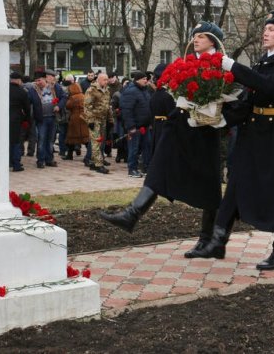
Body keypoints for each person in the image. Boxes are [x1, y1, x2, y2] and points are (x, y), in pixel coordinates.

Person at [100, 22, 226, 259]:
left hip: (204, 128)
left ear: (213, 40)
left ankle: (210, 240)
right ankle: (132, 213)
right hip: (178, 125)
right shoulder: (189, 61)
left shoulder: (221, 63)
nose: (195, 39)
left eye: (201, 36)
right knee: (158, 166)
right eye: (194, 35)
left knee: (209, 184)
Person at [192, 12, 274, 271]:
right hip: (254, 131)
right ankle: (218, 240)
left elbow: (272, 87)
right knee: (237, 183)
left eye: (272, 29)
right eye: (265, 28)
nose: (265, 32)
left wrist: (233, 67)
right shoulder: (261, 64)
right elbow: (249, 102)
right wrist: (220, 121)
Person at [27, 70, 66, 168]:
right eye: (36, 81)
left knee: (50, 140)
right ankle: (40, 160)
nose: (37, 82)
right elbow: (28, 102)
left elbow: (64, 97)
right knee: (41, 140)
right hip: (41, 119)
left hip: (52, 117)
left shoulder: (54, 87)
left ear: (45, 79)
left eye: (39, 80)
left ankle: (49, 159)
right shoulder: (33, 90)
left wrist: (59, 106)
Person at [119, 71, 152, 178]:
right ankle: (132, 169)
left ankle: (146, 168)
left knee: (147, 147)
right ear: (137, 80)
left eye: (146, 79)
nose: (146, 80)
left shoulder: (144, 90)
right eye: (144, 79)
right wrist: (131, 127)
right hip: (135, 127)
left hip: (145, 125)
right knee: (134, 148)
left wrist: (150, 123)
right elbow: (127, 111)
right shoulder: (131, 91)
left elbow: (147, 108)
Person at [83, 73, 113, 173]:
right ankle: (98, 164)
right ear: (99, 80)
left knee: (101, 141)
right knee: (96, 141)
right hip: (94, 119)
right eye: (104, 79)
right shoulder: (91, 90)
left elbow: (108, 106)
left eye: (107, 79)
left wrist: (110, 120)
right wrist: (90, 120)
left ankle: (94, 161)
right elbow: (87, 106)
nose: (106, 81)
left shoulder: (107, 90)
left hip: (103, 119)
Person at [64, 82, 91, 164]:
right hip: (83, 117)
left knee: (71, 138)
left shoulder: (72, 98)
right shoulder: (84, 96)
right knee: (86, 137)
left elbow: (68, 106)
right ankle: (89, 154)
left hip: (74, 118)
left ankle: (69, 155)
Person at [9, 72, 29, 172]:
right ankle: (16, 164)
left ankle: (8, 162)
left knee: (6, 141)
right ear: (18, 80)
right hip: (16, 120)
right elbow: (27, 108)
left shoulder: (3, 89)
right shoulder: (22, 92)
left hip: (3, 120)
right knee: (16, 142)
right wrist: (27, 119)